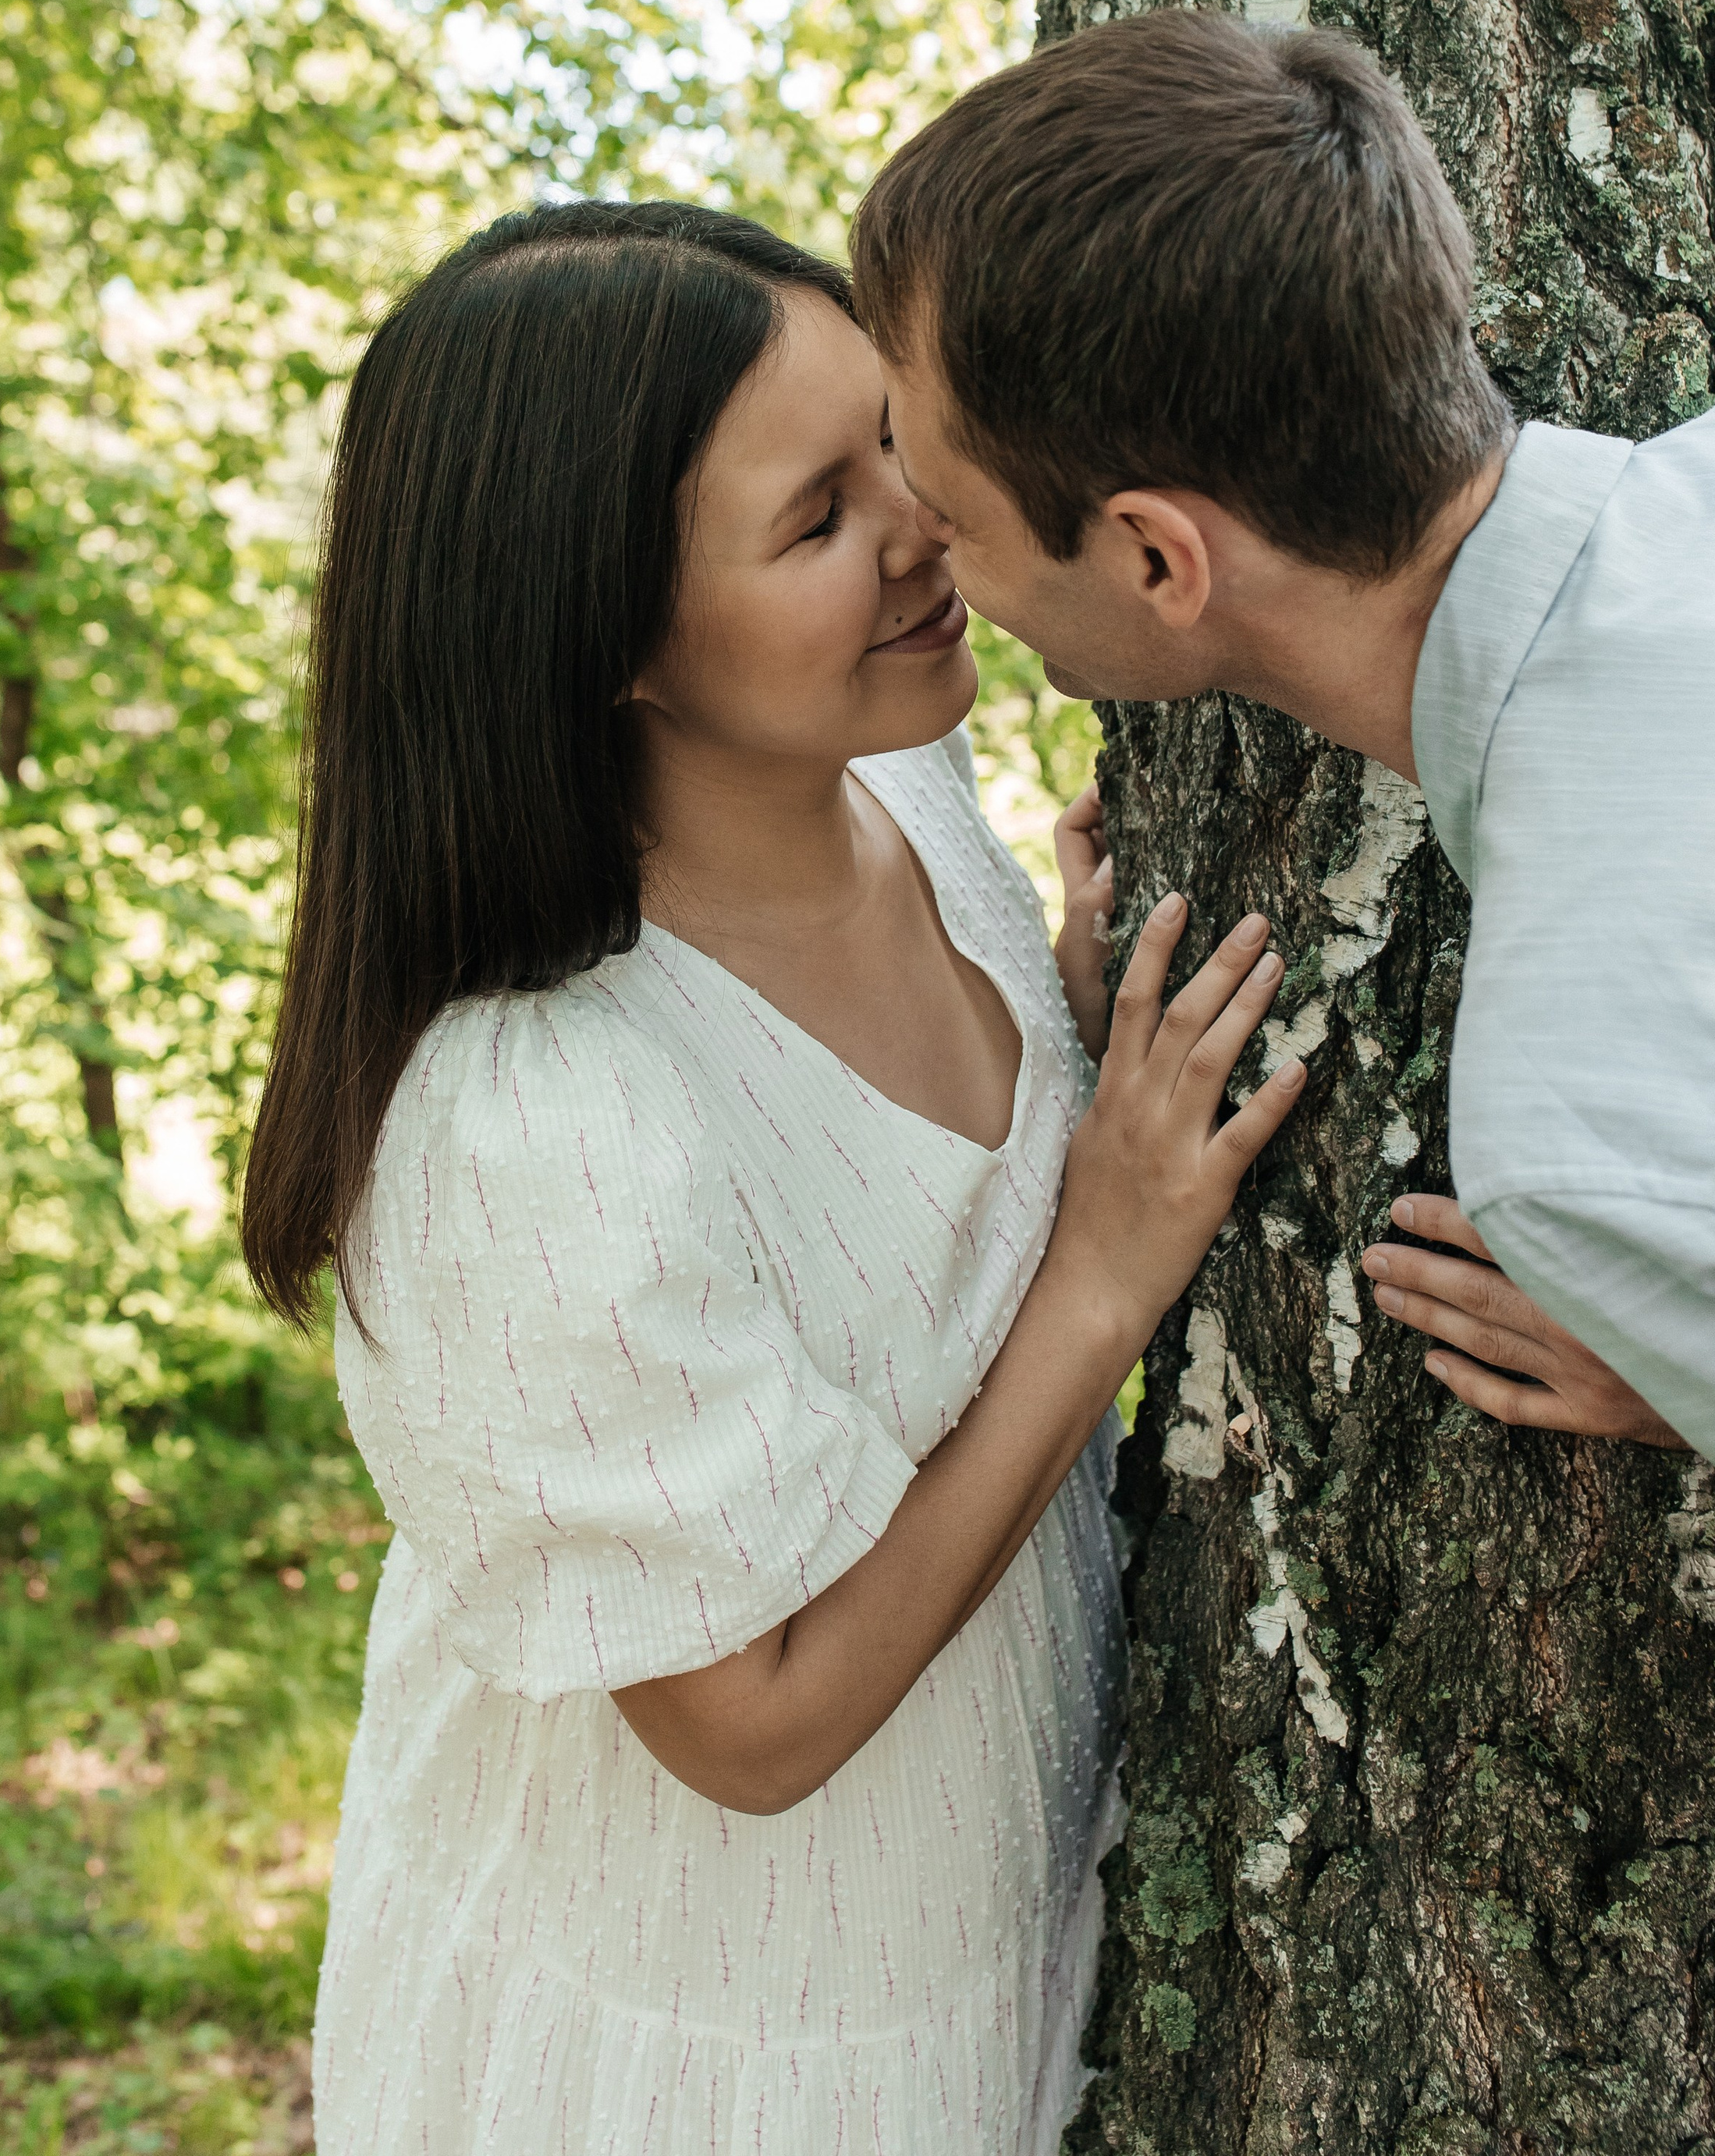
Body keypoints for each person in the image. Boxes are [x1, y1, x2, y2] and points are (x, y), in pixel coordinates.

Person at [239, 200, 1305, 2156]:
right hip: (711, 2050)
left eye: (893, 438)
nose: (921, 528)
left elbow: (906, 1227)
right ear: (601, 637)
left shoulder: (897, 795)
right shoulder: (529, 1115)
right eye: (814, 519)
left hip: (989, 1928)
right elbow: (755, 1725)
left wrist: (1062, 1020)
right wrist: (1097, 1276)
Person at [850, 9, 1715, 1502]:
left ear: (1157, 557)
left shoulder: (1589, 1153)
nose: (925, 558)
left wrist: (1711, 1363)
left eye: (953, 515)